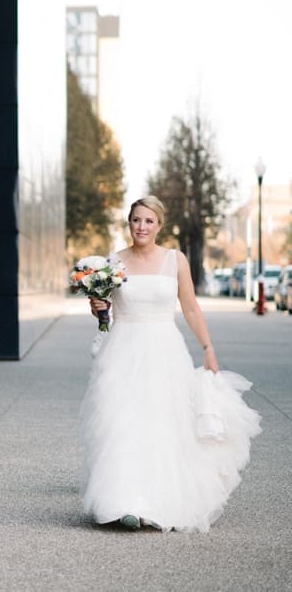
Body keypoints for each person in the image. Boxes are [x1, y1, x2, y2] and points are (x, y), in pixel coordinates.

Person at [82, 196, 261, 532]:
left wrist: (208, 348)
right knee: (122, 423)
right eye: (136, 220)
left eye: (149, 221)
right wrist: (97, 308)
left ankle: (156, 503)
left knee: (162, 424)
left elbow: (191, 307)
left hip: (164, 349)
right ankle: (124, 502)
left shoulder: (174, 260)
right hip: (122, 349)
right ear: (129, 223)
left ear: (159, 225)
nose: (142, 227)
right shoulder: (114, 262)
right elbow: (104, 309)